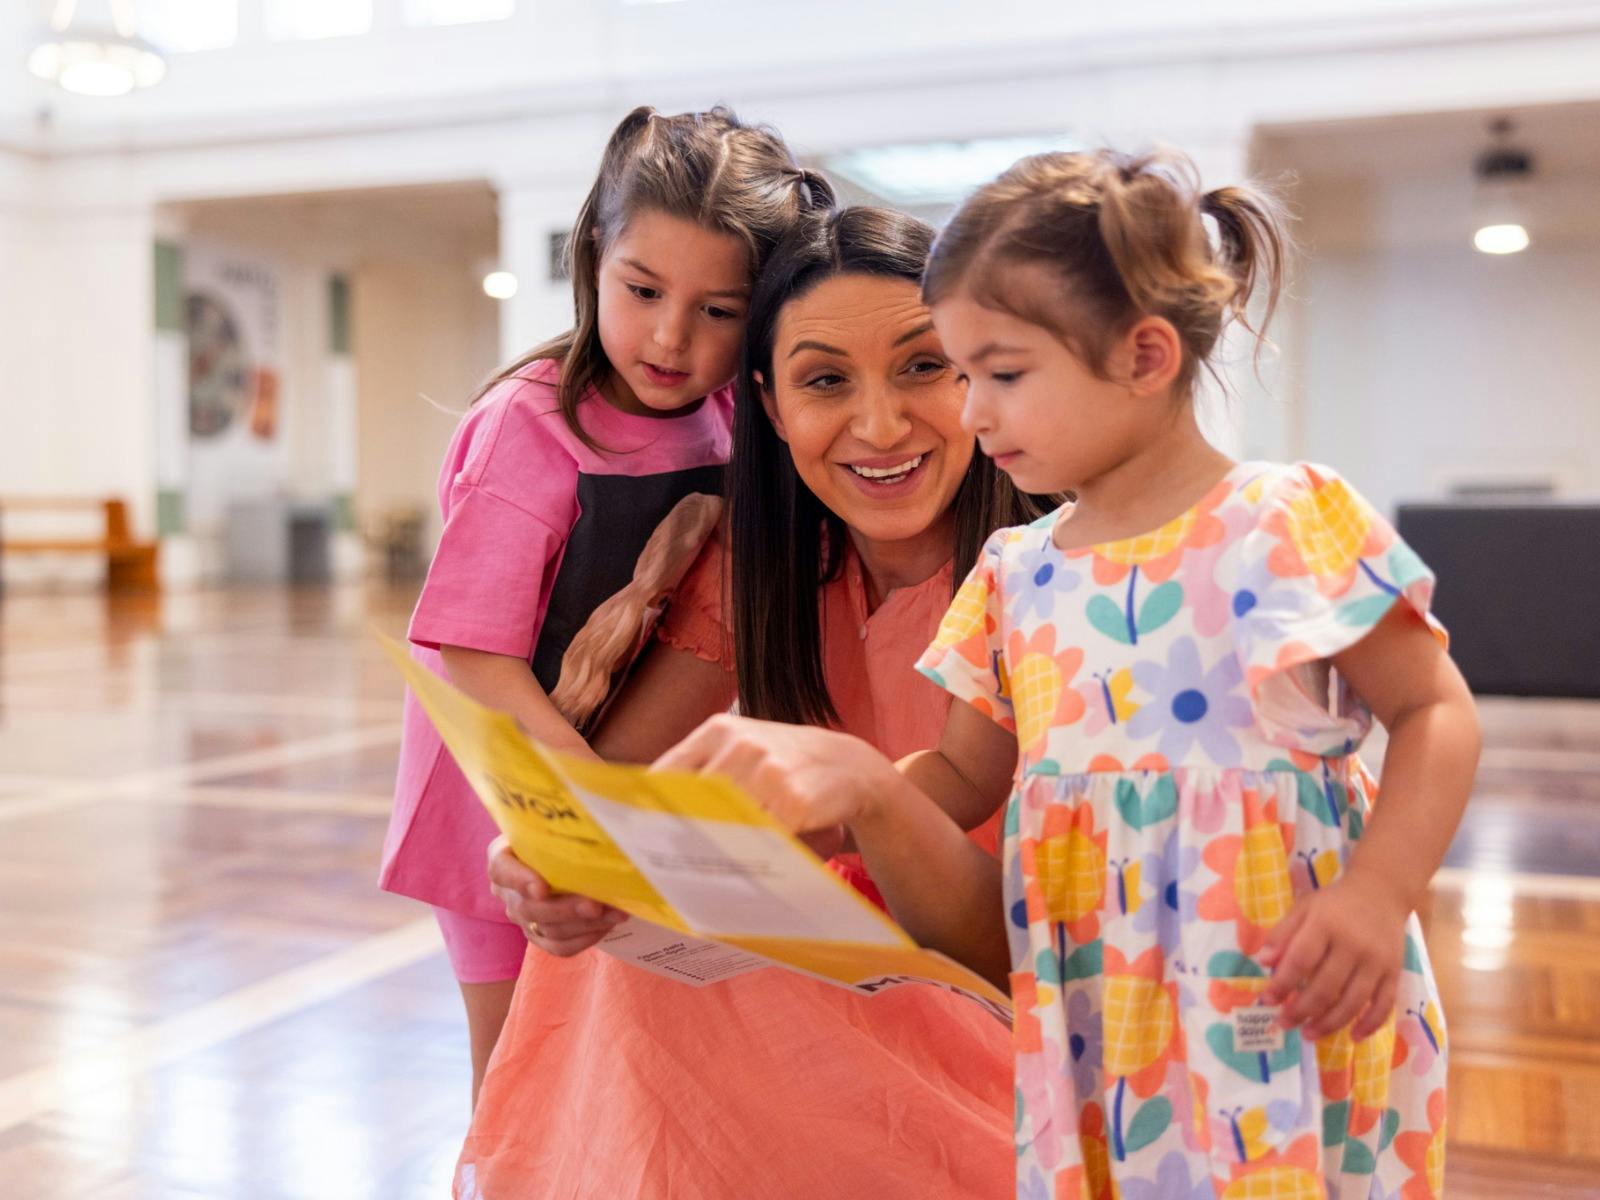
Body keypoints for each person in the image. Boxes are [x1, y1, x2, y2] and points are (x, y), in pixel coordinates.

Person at [659, 149, 1480, 1198]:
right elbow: (957, 781)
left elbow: (1432, 713)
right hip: (1097, 1018)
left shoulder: (1279, 521)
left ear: (1142, 356)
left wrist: (1377, 896)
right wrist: (775, 819)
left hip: (1280, 995)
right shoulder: (1017, 574)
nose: (975, 411)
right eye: (963, 374)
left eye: (999, 374)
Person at [461, 206, 1052, 1199]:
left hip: (1019, 1017)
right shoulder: (759, 569)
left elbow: (1017, 951)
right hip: (829, 1001)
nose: (877, 426)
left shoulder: (1054, 585)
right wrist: (554, 861)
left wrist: (865, 802)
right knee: (621, 952)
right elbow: (623, 798)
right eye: (827, 381)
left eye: (921, 367)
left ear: (980, 375)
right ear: (770, 406)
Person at [378, 104, 831, 1104]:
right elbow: (474, 654)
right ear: (592, 256)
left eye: (719, 310)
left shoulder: (729, 420)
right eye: (642, 290)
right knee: (514, 1084)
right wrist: (588, 808)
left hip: (621, 802)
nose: (671, 337)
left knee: (610, 1075)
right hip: (503, 800)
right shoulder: (527, 426)